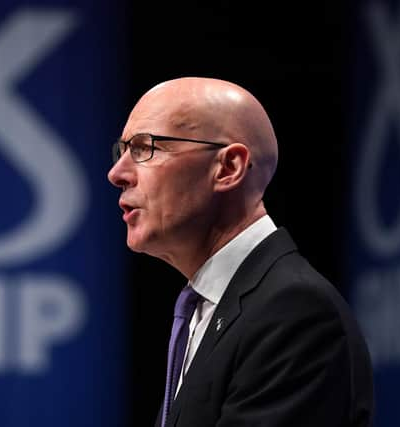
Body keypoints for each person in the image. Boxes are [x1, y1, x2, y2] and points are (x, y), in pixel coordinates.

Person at [107, 77, 374, 427]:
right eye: (122, 150)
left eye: (145, 148)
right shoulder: (207, 309)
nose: (117, 173)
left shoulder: (294, 311)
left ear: (228, 168)